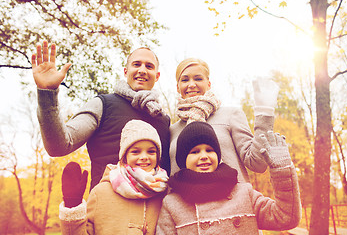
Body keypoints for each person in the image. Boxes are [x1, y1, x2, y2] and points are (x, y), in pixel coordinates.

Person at [31, 41, 170, 189]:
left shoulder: (163, 120)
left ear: (157, 76)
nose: (142, 70)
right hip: (106, 205)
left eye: (149, 66)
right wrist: (47, 93)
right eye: (136, 64)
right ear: (125, 71)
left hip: (153, 209)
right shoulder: (102, 105)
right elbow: (59, 146)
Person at [156, 121, 301, 234]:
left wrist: (282, 171)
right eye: (194, 152)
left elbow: (286, 217)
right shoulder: (172, 203)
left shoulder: (244, 193)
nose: (204, 156)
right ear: (183, 159)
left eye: (209, 150)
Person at [169, 58, 279, 182]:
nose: (192, 84)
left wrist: (264, 111)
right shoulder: (172, 130)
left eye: (198, 79)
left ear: (208, 84)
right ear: (178, 87)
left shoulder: (230, 115)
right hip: (187, 201)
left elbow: (257, 163)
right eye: (185, 80)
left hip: (234, 199)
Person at [60, 120, 169, 235]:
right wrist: (72, 206)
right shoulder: (100, 192)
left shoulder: (165, 192)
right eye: (135, 152)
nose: (144, 157)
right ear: (124, 156)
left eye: (151, 151)